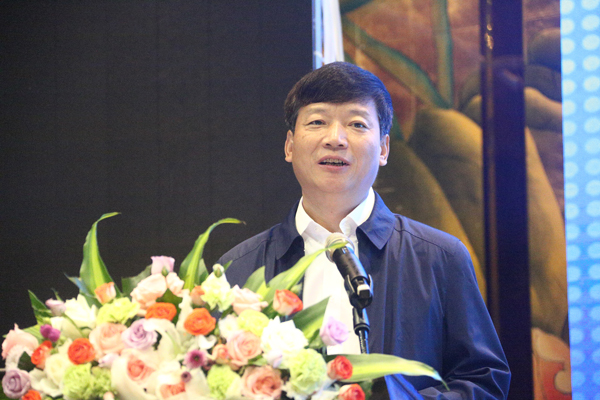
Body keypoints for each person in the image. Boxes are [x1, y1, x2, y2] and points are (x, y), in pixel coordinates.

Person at [218, 62, 510, 399]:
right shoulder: (239, 269)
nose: (335, 139)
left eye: (357, 124)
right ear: (290, 146)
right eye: (317, 122)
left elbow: (484, 382)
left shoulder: (439, 257)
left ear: (383, 149)